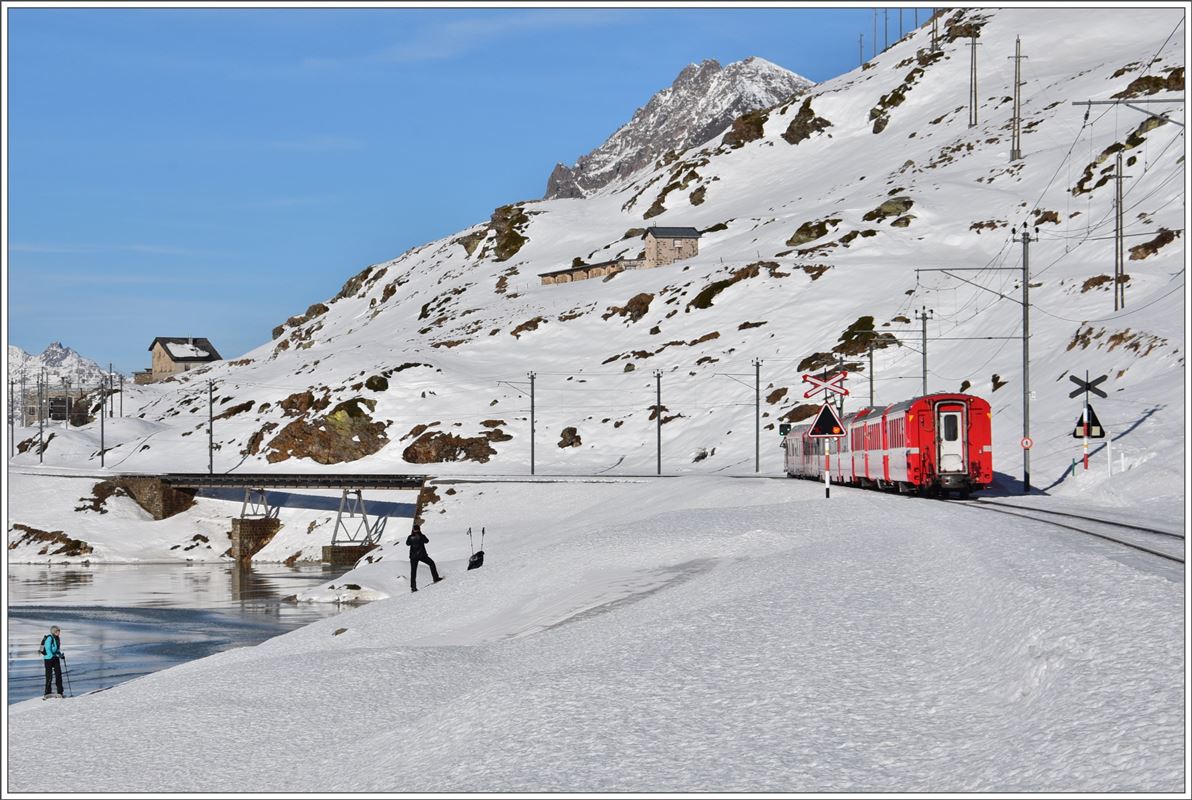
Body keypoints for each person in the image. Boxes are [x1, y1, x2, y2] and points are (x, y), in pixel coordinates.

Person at [406, 523, 442, 592]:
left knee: (413, 572)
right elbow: (427, 541)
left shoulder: (410, 537)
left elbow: (407, 543)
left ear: (413, 530)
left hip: (413, 557)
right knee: (431, 563)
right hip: (422, 555)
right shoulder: (422, 536)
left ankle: (413, 588)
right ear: (419, 529)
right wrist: (420, 535)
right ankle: (435, 578)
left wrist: (412, 536)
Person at [41, 625, 64, 698]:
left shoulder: (57, 638)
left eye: (59, 631)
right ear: (54, 632)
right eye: (57, 631)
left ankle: (60, 692)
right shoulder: (49, 638)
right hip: (48, 659)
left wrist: (60, 655)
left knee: (58, 674)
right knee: (49, 675)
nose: (59, 633)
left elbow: (56, 649)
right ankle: (47, 692)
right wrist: (52, 656)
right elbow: (48, 649)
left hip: (55, 658)